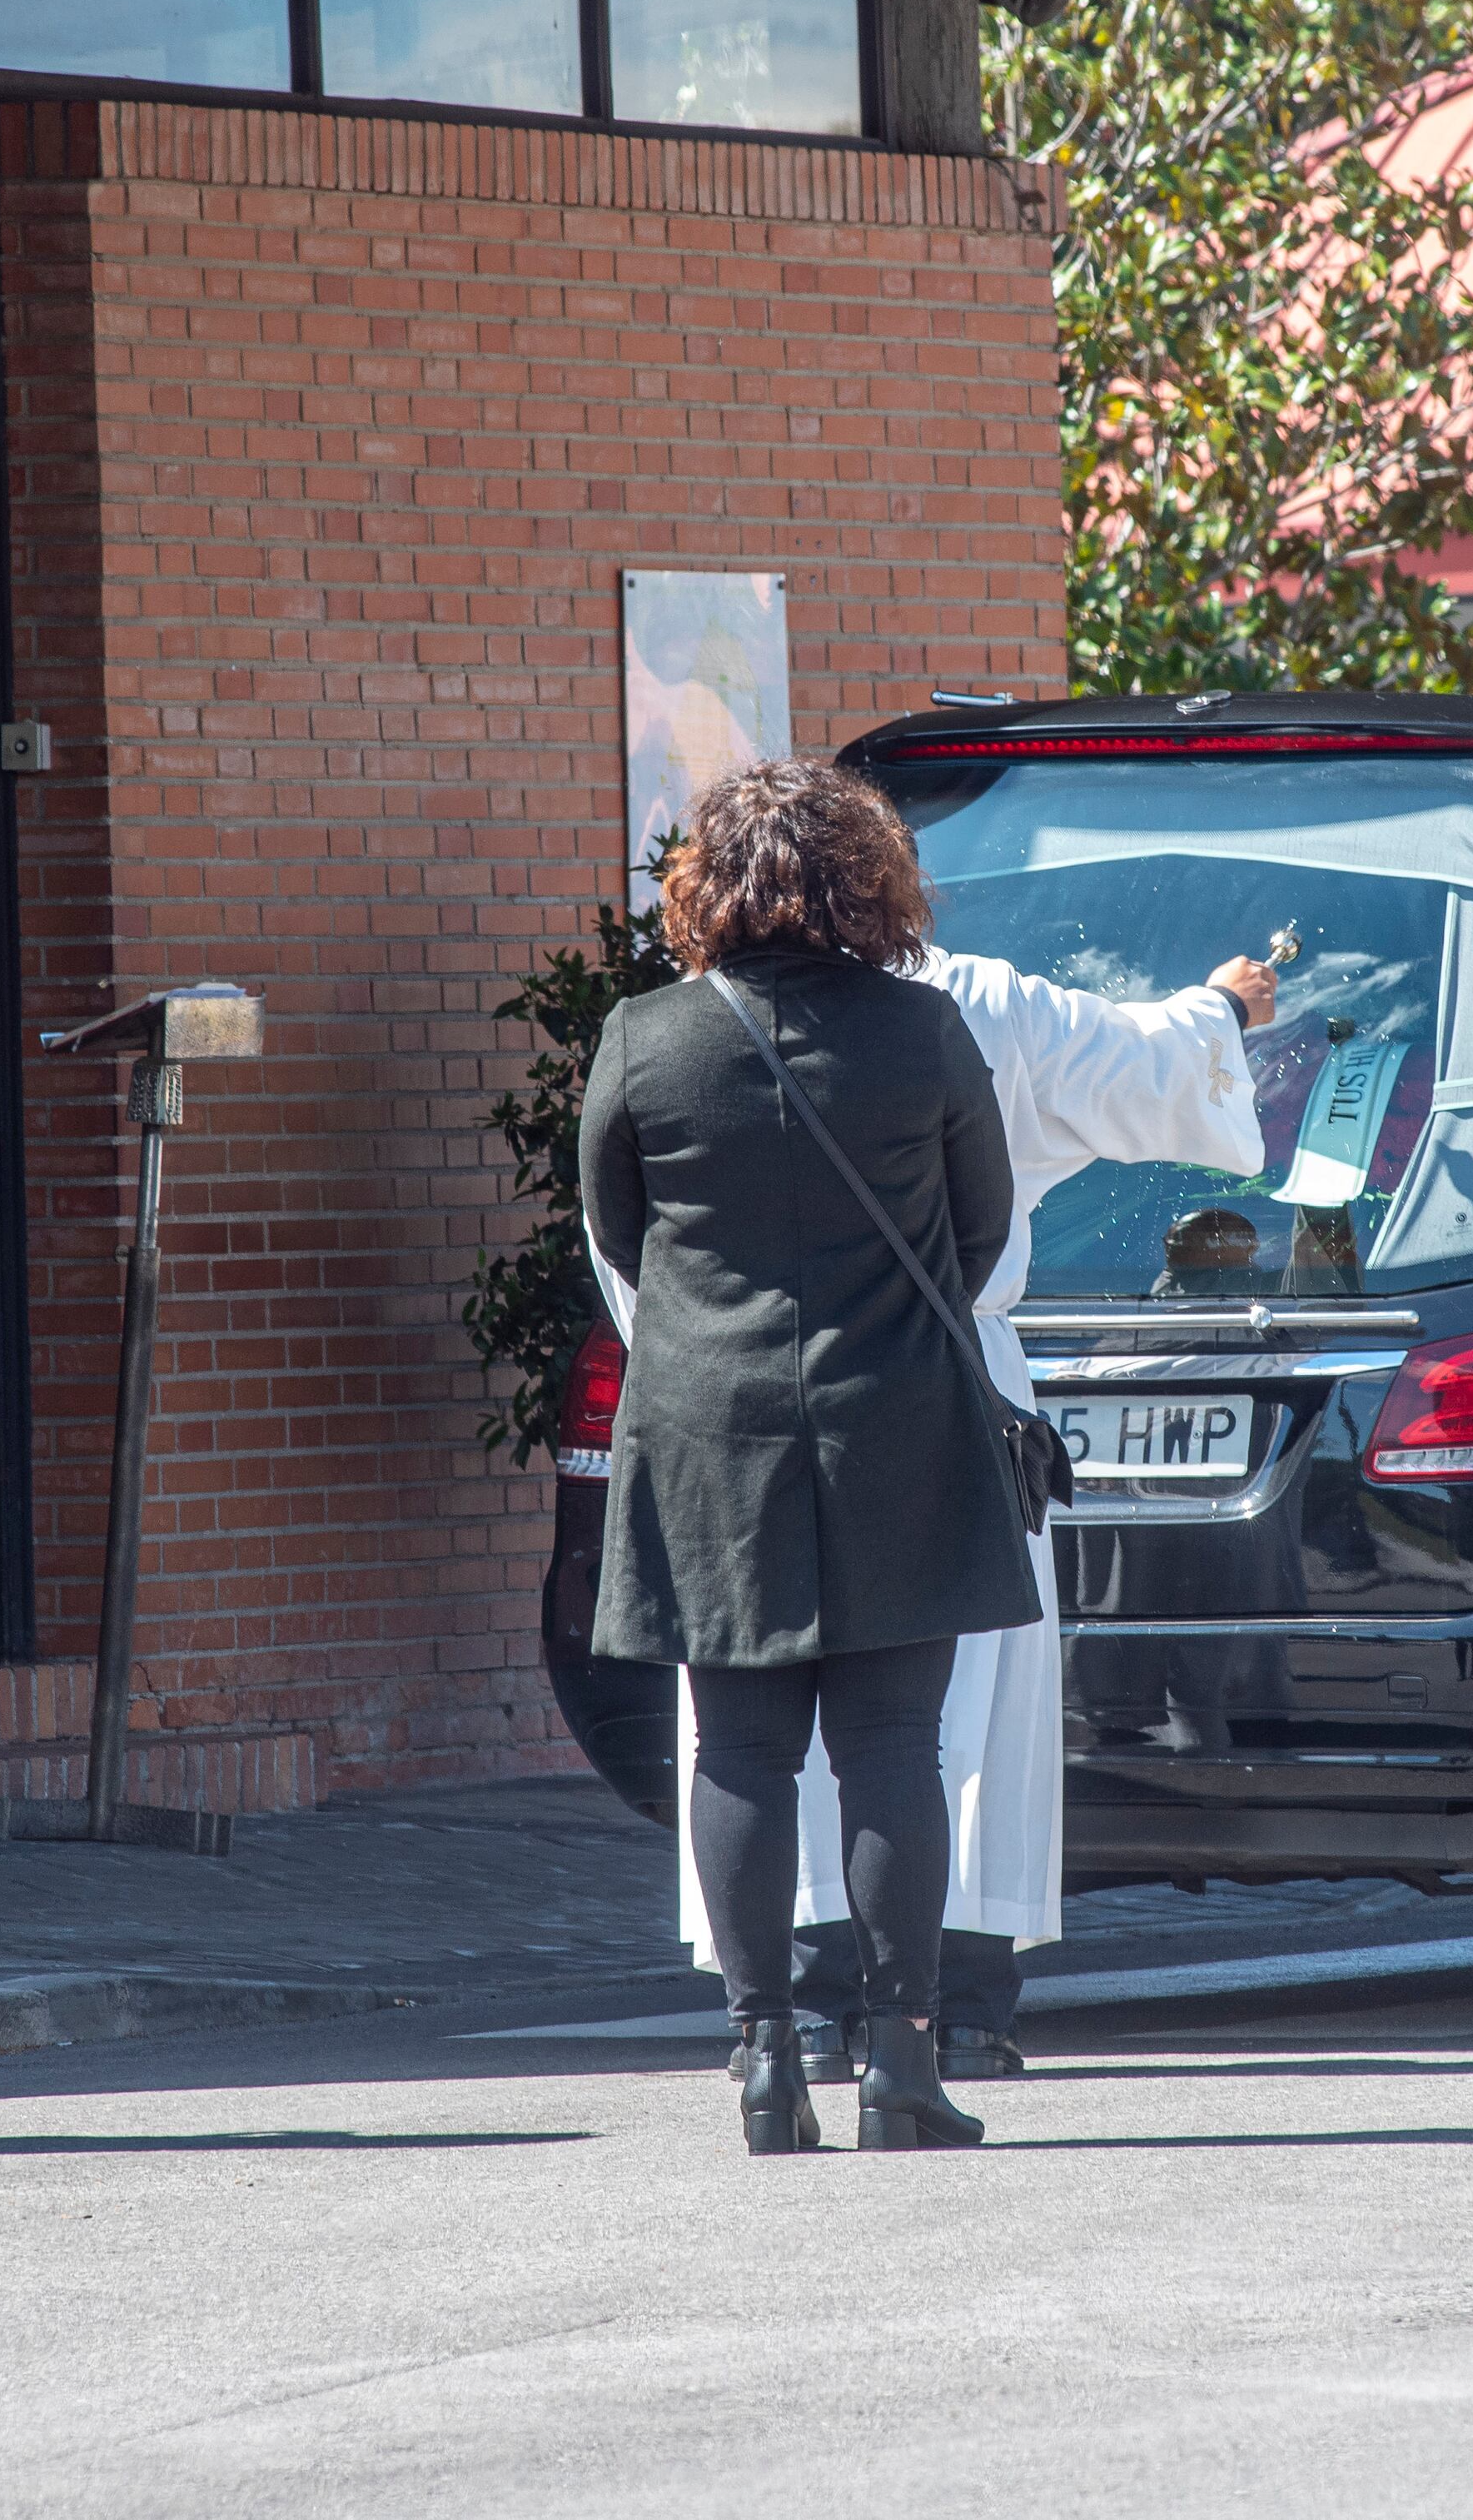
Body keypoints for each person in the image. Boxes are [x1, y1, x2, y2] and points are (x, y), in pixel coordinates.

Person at [580, 759, 1039, 2154]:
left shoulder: (645, 1038)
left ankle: (764, 2056)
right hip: (898, 1421)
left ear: (707, 885)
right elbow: (978, 1234)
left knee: (739, 1747)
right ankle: (900, 2062)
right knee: (898, 1744)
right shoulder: (927, 1032)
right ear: (866, 879)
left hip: (710, 1435)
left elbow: (618, 1227)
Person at [740, 941, 1274, 2079]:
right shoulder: (970, 1001)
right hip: (942, 1369)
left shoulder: (691, 1020)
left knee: (765, 1712)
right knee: (953, 1714)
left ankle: (795, 2011)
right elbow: (1140, 1065)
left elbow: (628, 1240)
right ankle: (956, 2005)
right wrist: (1220, 1006)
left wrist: (699, 1357)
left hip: (749, 1387)